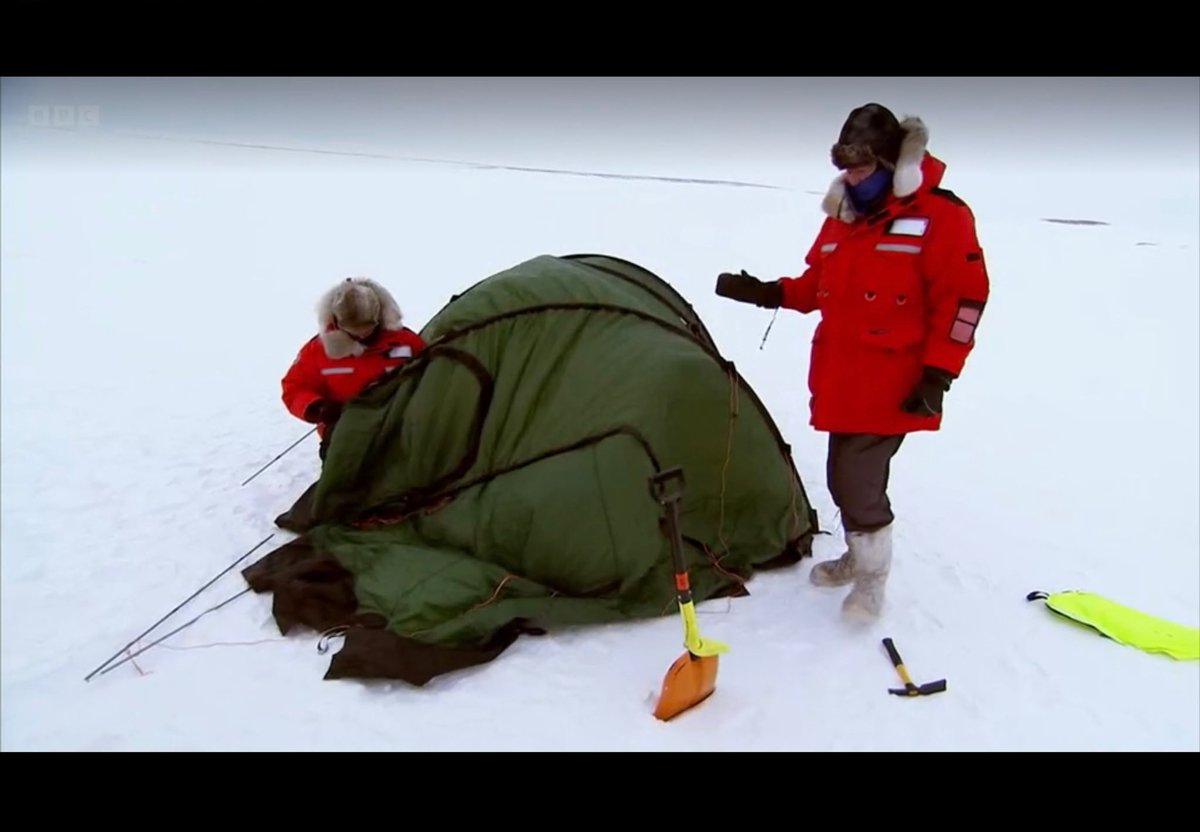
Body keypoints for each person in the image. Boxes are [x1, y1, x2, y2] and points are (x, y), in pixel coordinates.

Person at [714, 103, 990, 621]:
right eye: (846, 167)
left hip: (898, 381)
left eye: (863, 167)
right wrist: (768, 292)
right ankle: (856, 556)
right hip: (842, 378)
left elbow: (965, 301)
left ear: (892, 165)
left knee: (857, 482)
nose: (852, 177)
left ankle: (870, 583)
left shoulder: (942, 217)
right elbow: (817, 285)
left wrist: (939, 372)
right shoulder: (843, 219)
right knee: (845, 477)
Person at [275, 276, 426, 531]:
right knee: (344, 487)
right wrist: (316, 406)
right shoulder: (318, 350)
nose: (361, 333)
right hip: (344, 432)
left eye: (366, 326)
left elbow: (430, 375)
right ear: (338, 321)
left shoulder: (405, 343)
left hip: (395, 428)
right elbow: (294, 387)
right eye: (352, 327)